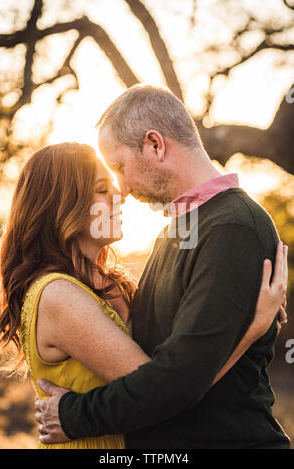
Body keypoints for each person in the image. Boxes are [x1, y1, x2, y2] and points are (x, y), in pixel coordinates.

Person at [33, 85, 290, 449]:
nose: (121, 187)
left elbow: (179, 380)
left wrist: (74, 415)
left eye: (120, 167)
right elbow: (155, 354)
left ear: (155, 145)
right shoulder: (180, 228)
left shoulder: (232, 227)